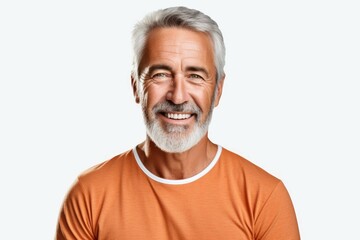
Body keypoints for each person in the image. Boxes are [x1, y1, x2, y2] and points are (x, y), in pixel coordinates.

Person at [56, 6, 300, 240]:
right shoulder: (88, 195)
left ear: (218, 90)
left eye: (195, 76)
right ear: (136, 87)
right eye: (160, 74)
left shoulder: (265, 197)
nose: (178, 96)